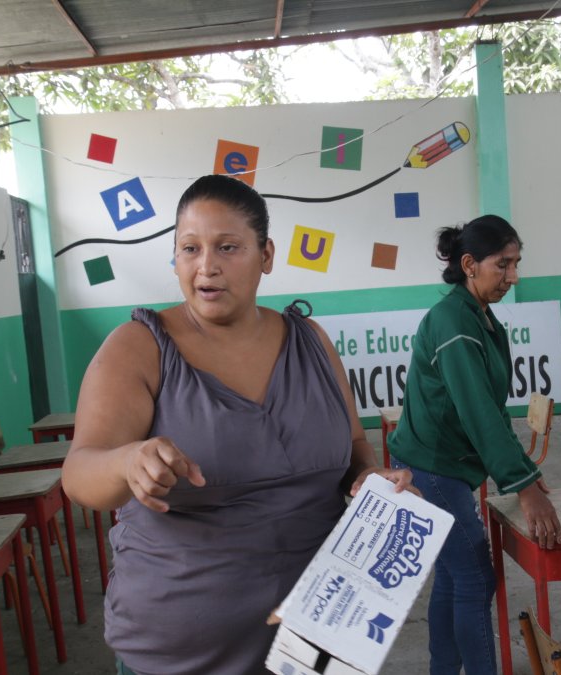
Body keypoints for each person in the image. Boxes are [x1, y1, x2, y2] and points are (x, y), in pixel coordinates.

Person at [61, 174, 412, 675]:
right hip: (180, 654)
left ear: (266, 255)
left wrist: (367, 478)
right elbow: (79, 474)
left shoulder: (309, 340)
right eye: (190, 249)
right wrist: (126, 461)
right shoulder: (137, 347)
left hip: (320, 639)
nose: (207, 266)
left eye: (228, 247)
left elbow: (353, 442)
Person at [387, 215, 561, 675]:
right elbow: (479, 414)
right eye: (503, 265)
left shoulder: (475, 315)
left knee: (452, 574)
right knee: (474, 576)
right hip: (431, 469)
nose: (513, 276)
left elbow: (490, 406)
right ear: (469, 264)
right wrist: (523, 488)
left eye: (516, 264)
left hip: (439, 463)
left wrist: (523, 467)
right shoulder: (455, 324)